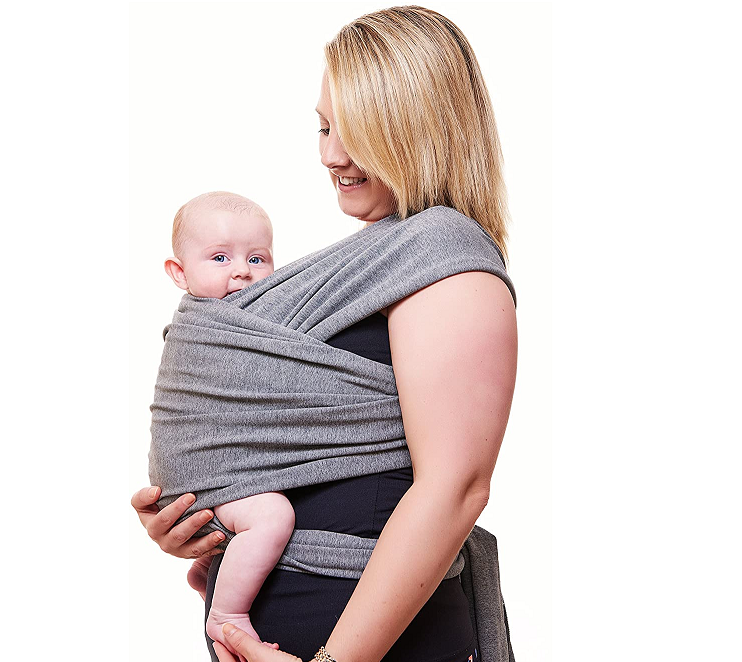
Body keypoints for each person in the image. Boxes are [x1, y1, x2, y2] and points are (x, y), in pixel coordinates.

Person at [132, 7, 518, 662]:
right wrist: (200, 511)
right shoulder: (377, 260)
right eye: (323, 126)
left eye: (357, 130)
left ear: (415, 127)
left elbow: (454, 488)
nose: (331, 154)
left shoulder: (447, 263)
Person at [162, 190, 290, 654]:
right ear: (179, 273)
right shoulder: (202, 328)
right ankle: (226, 614)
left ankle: (214, 575)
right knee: (274, 516)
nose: (242, 271)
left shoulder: (267, 318)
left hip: (217, 471)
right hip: (198, 472)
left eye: (258, 258)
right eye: (219, 257)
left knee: (263, 519)